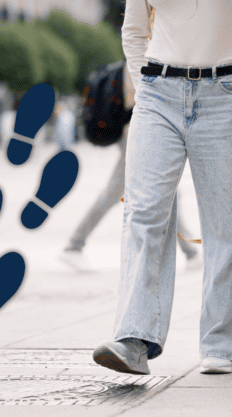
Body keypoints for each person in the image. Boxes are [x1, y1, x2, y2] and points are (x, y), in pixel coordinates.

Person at [92, 0, 232, 376]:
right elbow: (134, 29)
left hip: (222, 97)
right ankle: (134, 338)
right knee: (144, 211)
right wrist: (145, 87)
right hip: (157, 95)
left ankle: (222, 342)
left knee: (225, 223)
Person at [59, 66, 201, 273]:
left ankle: (191, 253)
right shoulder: (143, 58)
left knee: (166, 191)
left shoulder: (138, 57)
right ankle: (74, 245)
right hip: (136, 135)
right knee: (127, 192)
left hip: (137, 134)